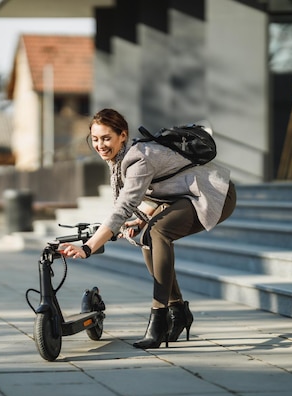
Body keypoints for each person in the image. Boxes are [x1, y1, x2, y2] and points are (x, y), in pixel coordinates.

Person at [60, 108, 236, 349]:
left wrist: (88, 248)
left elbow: (123, 207)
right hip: (186, 195)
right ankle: (178, 312)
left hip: (214, 194)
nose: (100, 145)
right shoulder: (122, 159)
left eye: (106, 138)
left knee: (158, 232)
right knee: (149, 239)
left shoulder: (137, 158)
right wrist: (142, 220)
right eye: (95, 139)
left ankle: (160, 317)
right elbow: (162, 185)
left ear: (123, 135)